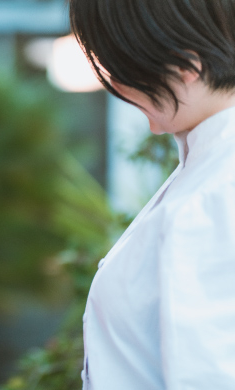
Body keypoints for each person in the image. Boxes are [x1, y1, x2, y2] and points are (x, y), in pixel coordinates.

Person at [70, 0, 235, 389]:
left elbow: (207, 376)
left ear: (186, 67)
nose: (117, 86)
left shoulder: (212, 195)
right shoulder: (204, 172)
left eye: (123, 67)